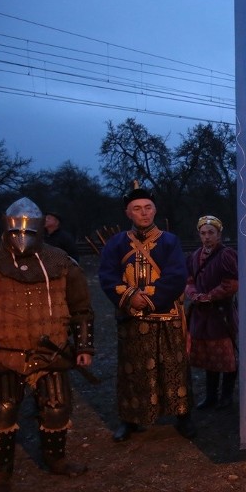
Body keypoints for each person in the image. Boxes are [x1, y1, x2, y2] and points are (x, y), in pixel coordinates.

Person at [0, 197, 94, 492]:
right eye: (15, 231)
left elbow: (81, 308)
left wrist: (83, 347)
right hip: (3, 350)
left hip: (50, 350)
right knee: (1, 412)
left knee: (57, 408)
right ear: (7, 229)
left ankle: (56, 460)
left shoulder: (61, 261)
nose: (22, 237)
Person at [98, 185, 196, 442]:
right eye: (137, 209)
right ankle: (130, 420)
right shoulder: (116, 243)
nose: (144, 213)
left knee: (173, 368)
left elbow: (177, 276)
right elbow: (107, 275)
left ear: (155, 210)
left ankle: (183, 416)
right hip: (132, 317)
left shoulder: (169, 241)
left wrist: (149, 299)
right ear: (128, 213)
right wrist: (130, 296)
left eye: (148, 208)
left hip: (167, 317)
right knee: (134, 371)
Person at [186, 215, 238, 410]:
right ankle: (210, 397)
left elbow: (231, 284)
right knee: (209, 357)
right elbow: (189, 279)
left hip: (221, 314)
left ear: (218, 234)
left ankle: (226, 397)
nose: (207, 237)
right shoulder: (194, 256)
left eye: (211, 233)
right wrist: (193, 294)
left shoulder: (227, 255)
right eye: (203, 233)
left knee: (227, 356)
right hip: (201, 315)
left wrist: (208, 296)